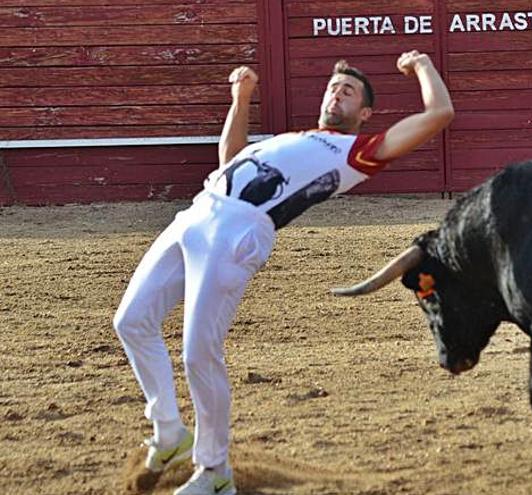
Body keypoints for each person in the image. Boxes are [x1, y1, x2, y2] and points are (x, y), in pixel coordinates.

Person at [113, 50, 454, 495]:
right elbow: (229, 158)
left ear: (364, 113)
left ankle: (215, 474)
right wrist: (242, 98)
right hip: (196, 214)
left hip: (238, 232)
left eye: (348, 92)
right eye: (334, 87)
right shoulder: (290, 138)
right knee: (131, 321)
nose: (337, 93)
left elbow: (440, 113)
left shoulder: (354, 152)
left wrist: (423, 65)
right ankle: (170, 433)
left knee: (200, 352)